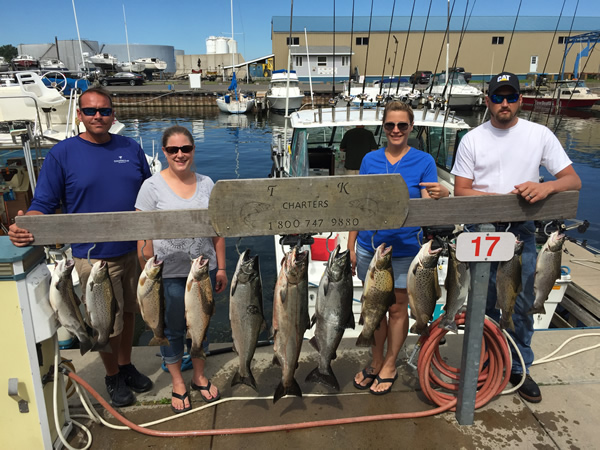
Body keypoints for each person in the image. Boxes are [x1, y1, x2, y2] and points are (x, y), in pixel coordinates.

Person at [8, 86, 153, 407]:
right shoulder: (63, 154)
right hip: (92, 256)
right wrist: (26, 224)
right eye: (90, 111)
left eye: (104, 110)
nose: (98, 116)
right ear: (79, 115)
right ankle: (112, 374)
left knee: (130, 314)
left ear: (113, 114)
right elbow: (43, 201)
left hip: (132, 250)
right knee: (104, 323)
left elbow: (150, 192)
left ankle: (126, 365)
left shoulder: (131, 147)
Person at [451, 72, 581, 403]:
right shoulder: (472, 139)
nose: (504, 103)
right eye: (498, 97)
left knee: (520, 303)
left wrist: (545, 186)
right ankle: (485, 362)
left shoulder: (540, 135)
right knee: (483, 299)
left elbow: (572, 180)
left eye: (510, 97)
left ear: (520, 100)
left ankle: (519, 366)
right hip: (481, 232)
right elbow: (461, 191)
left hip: (521, 232)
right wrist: (496, 203)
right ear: (488, 101)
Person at [349, 101, 449, 395]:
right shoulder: (369, 160)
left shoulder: (424, 161)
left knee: (397, 306)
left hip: (406, 249)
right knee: (374, 307)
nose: (396, 130)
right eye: (390, 125)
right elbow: (359, 204)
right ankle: (376, 359)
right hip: (371, 246)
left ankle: (391, 362)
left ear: (410, 128)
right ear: (383, 127)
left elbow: (425, 201)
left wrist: (440, 193)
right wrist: (351, 243)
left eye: (402, 125)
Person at [135, 125, 227, 414]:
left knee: (201, 325)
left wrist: (221, 267)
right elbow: (142, 233)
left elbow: (218, 230)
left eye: (185, 148)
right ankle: (177, 381)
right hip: (167, 275)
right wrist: (147, 273)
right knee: (171, 330)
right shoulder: (151, 186)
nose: (180, 154)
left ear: (192, 150)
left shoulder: (208, 183)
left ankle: (199, 375)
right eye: (173, 149)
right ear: (164, 152)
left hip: (202, 271)